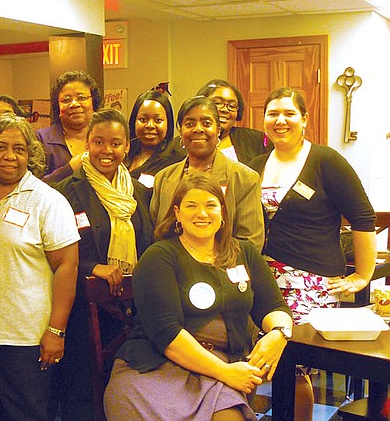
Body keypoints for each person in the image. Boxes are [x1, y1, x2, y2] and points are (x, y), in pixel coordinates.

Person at [104, 173, 294, 421]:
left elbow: (274, 306)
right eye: (191, 206)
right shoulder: (159, 256)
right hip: (154, 367)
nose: (202, 214)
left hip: (221, 367)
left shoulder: (243, 251)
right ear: (177, 213)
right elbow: (166, 333)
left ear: (223, 212)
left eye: (210, 205)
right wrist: (226, 373)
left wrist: (279, 333)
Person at [248, 87, 377, 421]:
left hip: (311, 280)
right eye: (273, 113)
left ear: (304, 120)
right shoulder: (256, 165)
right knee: (261, 360)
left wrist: (362, 275)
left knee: (294, 364)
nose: (280, 120)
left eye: (289, 113)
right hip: (263, 277)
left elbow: (363, 217)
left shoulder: (325, 161)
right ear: (263, 120)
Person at [0, 114, 79, 420]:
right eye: (0, 147)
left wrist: (56, 331)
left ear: (30, 154)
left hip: (26, 339)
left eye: (19, 149)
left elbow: (67, 266)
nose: (10, 156)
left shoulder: (48, 201)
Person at [52, 108, 154, 420]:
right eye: (98, 142)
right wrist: (91, 266)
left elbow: (149, 244)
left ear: (126, 147)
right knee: (84, 394)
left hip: (132, 309)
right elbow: (53, 250)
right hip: (84, 310)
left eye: (115, 143)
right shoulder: (65, 191)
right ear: (87, 144)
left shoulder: (140, 192)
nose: (106, 151)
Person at [151, 96, 264, 249]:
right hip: (171, 267)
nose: (198, 129)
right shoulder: (163, 178)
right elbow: (157, 235)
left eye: (206, 123)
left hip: (221, 267)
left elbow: (250, 243)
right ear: (180, 131)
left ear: (218, 130)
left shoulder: (245, 178)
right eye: (189, 124)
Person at [36, 70, 102, 184]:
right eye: (66, 100)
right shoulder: (41, 139)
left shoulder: (106, 138)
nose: (74, 104)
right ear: (58, 107)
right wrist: (69, 169)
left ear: (93, 103)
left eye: (81, 98)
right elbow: (32, 185)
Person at [196, 79, 272, 165]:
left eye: (232, 106)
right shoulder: (184, 142)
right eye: (217, 103)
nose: (225, 109)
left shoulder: (256, 140)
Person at [124, 89, 185, 188]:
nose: (150, 125)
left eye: (158, 120)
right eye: (143, 120)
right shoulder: (122, 156)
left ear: (168, 124)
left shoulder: (177, 163)